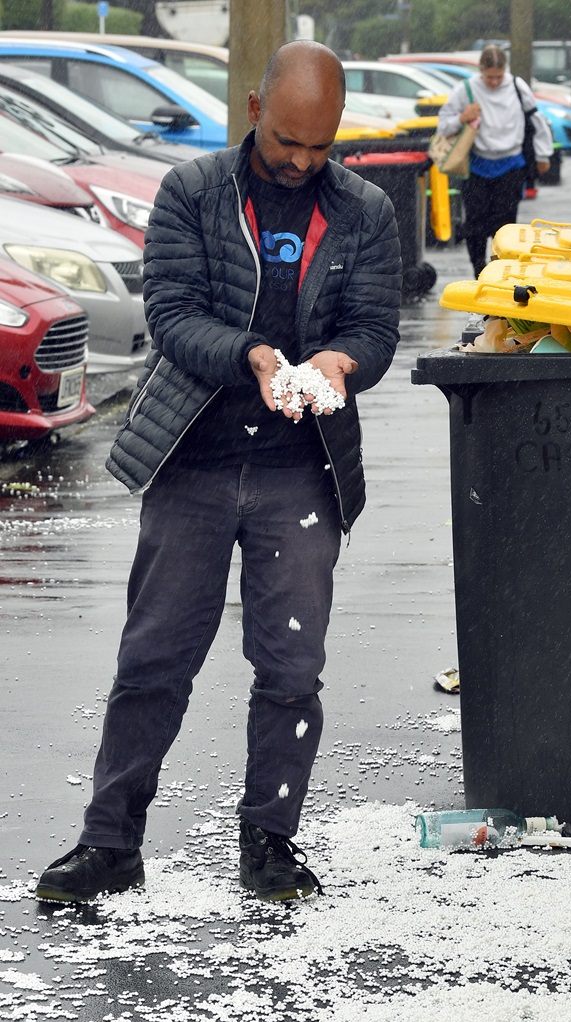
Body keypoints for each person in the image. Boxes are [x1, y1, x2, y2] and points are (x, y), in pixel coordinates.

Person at [35, 41, 401, 905]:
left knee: (290, 669)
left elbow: (375, 329)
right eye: (287, 141)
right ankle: (110, 843)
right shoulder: (193, 192)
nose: (303, 161)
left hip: (299, 469)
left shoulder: (366, 211)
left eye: (321, 146)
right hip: (191, 458)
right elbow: (170, 315)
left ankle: (269, 845)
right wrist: (257, 356)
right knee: (154, 659)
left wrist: (340, 363)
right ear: (251, 108)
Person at [435, 46, 553, 277]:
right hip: (478, 165)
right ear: (481, 71)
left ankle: (502, 272)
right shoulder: (466, 89)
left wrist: (542, 155)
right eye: (489, 77)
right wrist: (462, 117)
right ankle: (479, 270)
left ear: (505, 71)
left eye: (499, 77)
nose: (494, 82)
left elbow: (536, 120)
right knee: (475, 226)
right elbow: (443, 125)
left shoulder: (517, 86)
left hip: (511, 164)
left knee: (505, 226)